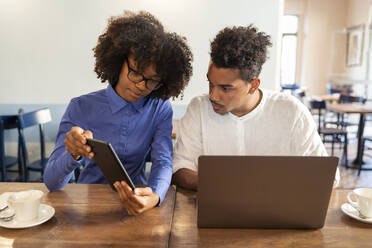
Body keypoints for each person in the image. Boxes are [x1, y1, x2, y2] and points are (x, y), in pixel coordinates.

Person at [44, 11, 193, 215]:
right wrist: (73, 152)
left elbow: (163, 161)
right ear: (119, 61)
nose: (141, 85)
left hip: (138, 200)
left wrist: (155, 196)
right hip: (88, 204)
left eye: (152, 80)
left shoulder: (159, 108)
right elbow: (52, 183)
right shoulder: (81, 106)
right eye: (135, 73)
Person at [172, 25, 339, 190]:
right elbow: (179, 167)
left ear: (253, 85)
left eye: (226, 88)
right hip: (214, 208)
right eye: (210, 83)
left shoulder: (292, 112)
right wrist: (220, 186)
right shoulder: (198, 108)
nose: (213, 96)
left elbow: (328, 177)